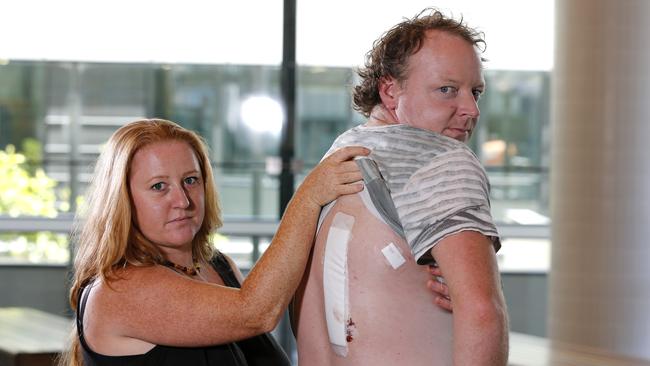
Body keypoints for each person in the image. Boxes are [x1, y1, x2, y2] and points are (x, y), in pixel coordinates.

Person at [292, 8, 509, 366]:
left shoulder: (339, 155)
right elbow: (483, 312)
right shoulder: (441, 160)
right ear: (390, 90)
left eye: (476, 92)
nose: (471, 109)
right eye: (447, 90)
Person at [58, 118, 369, 366]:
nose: (182, 200)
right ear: (122, 200)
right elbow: (257, 311)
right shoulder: (120, 290)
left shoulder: (216, 264)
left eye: (191, 180)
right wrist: (308, 197)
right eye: (158, 186)